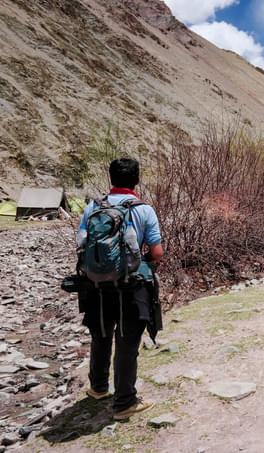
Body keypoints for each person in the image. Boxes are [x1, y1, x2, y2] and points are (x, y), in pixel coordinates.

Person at [77, 158, 163, 420]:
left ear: (111, 179)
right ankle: (124, 402)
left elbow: (81, 243)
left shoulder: (93, 207)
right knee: (126, 342)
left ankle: (98, 387)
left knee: (101, 334)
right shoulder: (144, 210)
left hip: (95, 285)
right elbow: (156, 252)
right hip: (130, 286)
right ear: (137, 180)